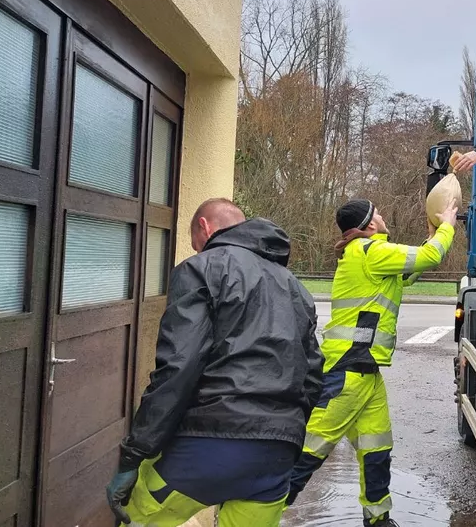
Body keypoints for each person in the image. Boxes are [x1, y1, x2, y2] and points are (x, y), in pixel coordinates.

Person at [105, 198, 323, 527]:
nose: (197, 251)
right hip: (277, 456)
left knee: (136, 519)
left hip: (209, 447)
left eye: (196, 244)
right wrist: (282, 434)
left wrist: (134, 454)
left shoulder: (202, 268)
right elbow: (312, 377)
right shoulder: (295, 288)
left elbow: (178, 367)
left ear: (205, 228)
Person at [285, 198, 459, 527]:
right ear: (370, 225)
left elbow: (408, 272)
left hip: (366, 372)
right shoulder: (371, 251)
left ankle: (378, 519)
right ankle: (259, 514)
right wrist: (447, 223)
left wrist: (430, 235)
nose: (381, 215)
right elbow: (432, 256)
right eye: (377, 212)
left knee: (376, 449)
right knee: (310, 451)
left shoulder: (371, 254)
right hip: (348, 372)